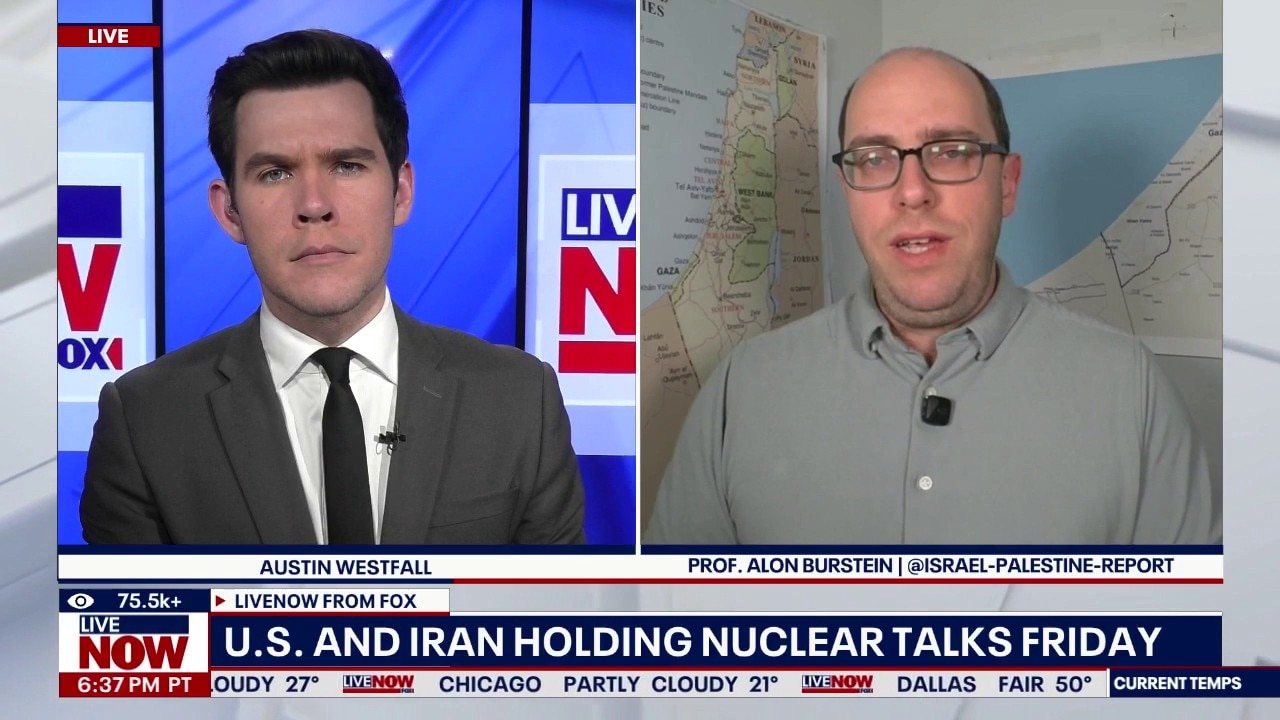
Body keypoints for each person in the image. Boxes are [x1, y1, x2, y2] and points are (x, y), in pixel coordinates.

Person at [645, 48, 1219, 545]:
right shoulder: (742, 389)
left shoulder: (1131, 389)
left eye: (950, 151)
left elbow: (1190, 628)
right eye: (875, 159)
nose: (913, 192)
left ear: (1007, 183)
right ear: (848, 191)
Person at [80, 29, 585, 545]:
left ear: (401, 193)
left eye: (347, 165)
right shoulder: (145, 421)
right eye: (275, 173)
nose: (315, 205)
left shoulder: (521, 400)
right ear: (229, 211)